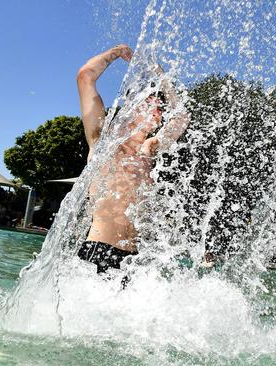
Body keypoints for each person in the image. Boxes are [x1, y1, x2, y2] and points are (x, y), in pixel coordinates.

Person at [76, 44, 189, 274]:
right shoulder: (102, 141)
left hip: (134, 263)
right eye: (149, 103)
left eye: (160, 108)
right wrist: (116, 53)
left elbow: (182, 117)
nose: (156, 111)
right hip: (98, 252)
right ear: (132, 105)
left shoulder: (149, 148)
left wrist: (159, 72)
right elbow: (85, 76)